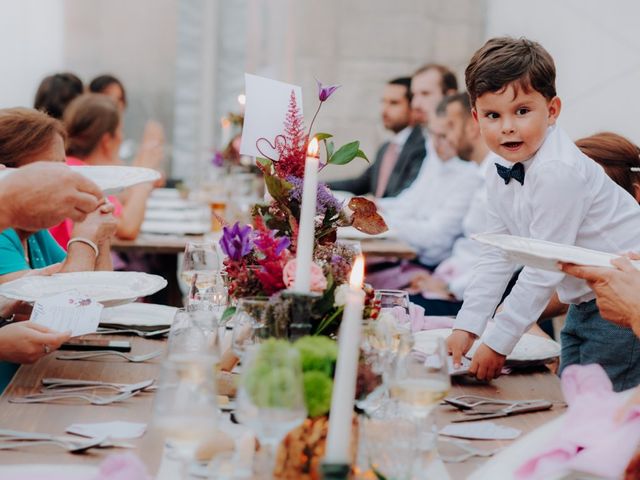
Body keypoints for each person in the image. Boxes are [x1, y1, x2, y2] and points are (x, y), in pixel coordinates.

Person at [446, 37, 640, 391]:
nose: (507, 126)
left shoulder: (557, 172)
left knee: (600, 413)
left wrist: (497, 342)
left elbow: (541, 267)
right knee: (571, 400)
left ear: (552, 110)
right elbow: (496, 254)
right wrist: (468, 325)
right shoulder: (498, 169)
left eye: (522, 111)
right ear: (476, 118)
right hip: (582, 305)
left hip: (624, 307)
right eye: (493, 115)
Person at [0, 108, 117, 281]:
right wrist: (85, 238)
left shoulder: (31, 230)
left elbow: (101, 292)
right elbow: (70, 302)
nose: (65, 180)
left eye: (64, 167)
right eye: (51, 172)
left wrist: (100, 237)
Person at [408, 92, 493, 315]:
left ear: (474, 126)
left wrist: (450, 287)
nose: (448, 138)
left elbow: (501, 260)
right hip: (457, 282)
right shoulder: (481, 174)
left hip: (471, 300)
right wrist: (439, 279)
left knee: (387, 307)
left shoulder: (497, 179)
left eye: (451, 126)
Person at [50, 94, 157, 245]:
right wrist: (146, 176)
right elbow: (128, 228)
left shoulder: (70, 166)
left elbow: (121, 201)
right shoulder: (86, 177)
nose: (122, 137)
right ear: (107, 141)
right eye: (120, 131)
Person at [328, 77, 425, 197]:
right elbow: (360, 184)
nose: (384, 110)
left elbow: (408, 197)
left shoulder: (423, 147)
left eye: (394, 103)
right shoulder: (386, 148)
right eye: (383, 102)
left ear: (413, 106)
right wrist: (316, 185)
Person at [89, 74, 165, 171]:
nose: (116, 104)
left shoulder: (133, 129)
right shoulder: (92, 138)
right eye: (108, 97)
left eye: (120, 99)